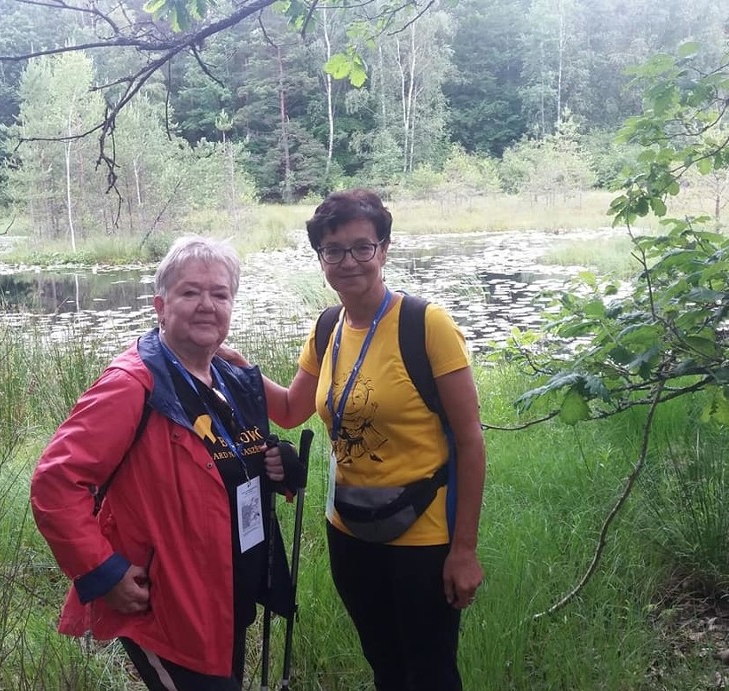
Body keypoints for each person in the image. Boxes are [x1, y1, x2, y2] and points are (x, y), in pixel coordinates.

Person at [222, 189, 486, 690]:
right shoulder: (328, 328)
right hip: (348, 529)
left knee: (429, 672)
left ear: (383, 249)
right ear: (321, 257)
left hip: (424, 537)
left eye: (362, 247)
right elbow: (291, 408)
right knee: (384, 664)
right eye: (333, 250)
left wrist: (464, 550)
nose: (349, 261)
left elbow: (471, 442)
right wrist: (235, 369)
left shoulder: (426, 325)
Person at [30, 236, 300, 691]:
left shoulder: (227, 377)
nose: (206, 305)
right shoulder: (132, 383)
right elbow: (56, 484)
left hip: (224, 594)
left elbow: (221, 468)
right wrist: (104, 571)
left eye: (220, 294)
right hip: (168, 605)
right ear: (160, 304)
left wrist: (276, 467)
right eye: (190, 292)